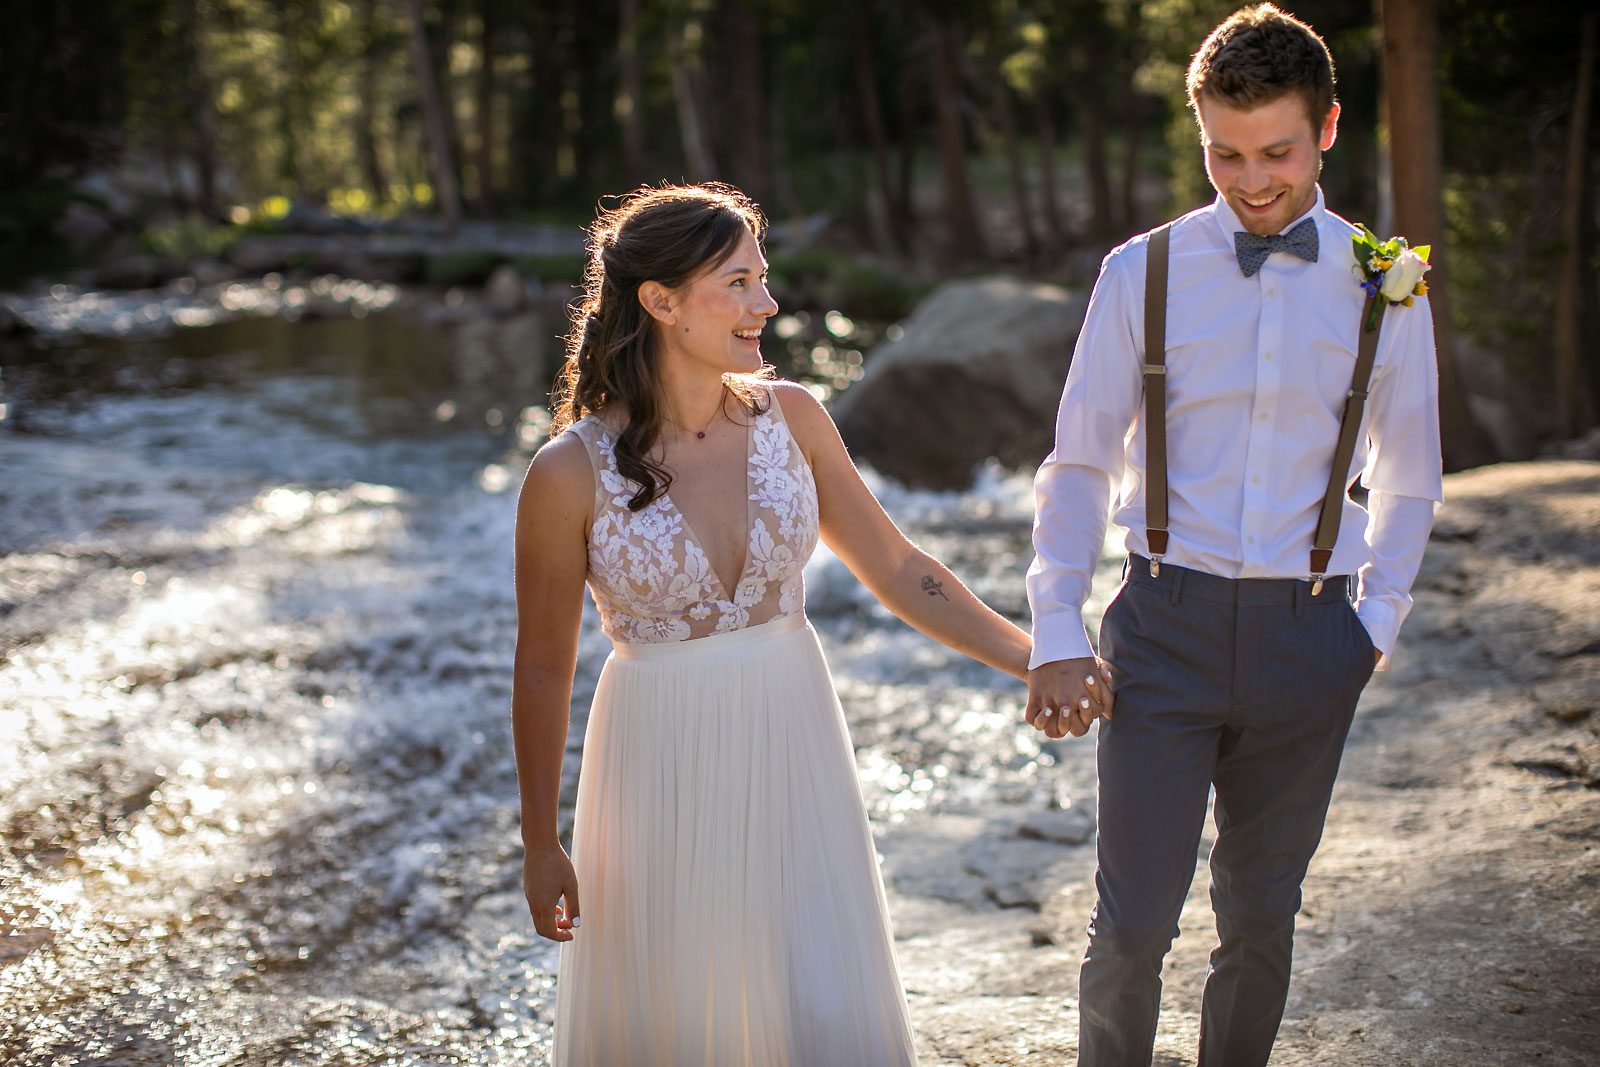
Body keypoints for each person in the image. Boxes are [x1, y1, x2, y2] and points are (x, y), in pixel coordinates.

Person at [510, 183, 1081, 1065]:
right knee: (680, 1014)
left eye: (763, 279)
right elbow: (544, 667)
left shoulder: (797, 419)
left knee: (812, 996)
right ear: (661, 302)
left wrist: (1037, 656)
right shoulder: (566, 471)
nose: (767, 304)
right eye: (737, 283)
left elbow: (899, 569)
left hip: (794, 742)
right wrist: (541, 841)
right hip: (658, 764)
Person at [1023, 5, 1442, 1066]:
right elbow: (1078, 458)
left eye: (1276, 154)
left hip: (1312, 637)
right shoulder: (1140, 273)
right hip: (1162, 622)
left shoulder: (1384, 281)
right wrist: (1055, 624)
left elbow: (1409, 471)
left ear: (1329, 129)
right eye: (1224, 154)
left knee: (1261, 919)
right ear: (1199, 134)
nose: (1252, 182)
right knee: (1130, 925)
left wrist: (1374, 622)